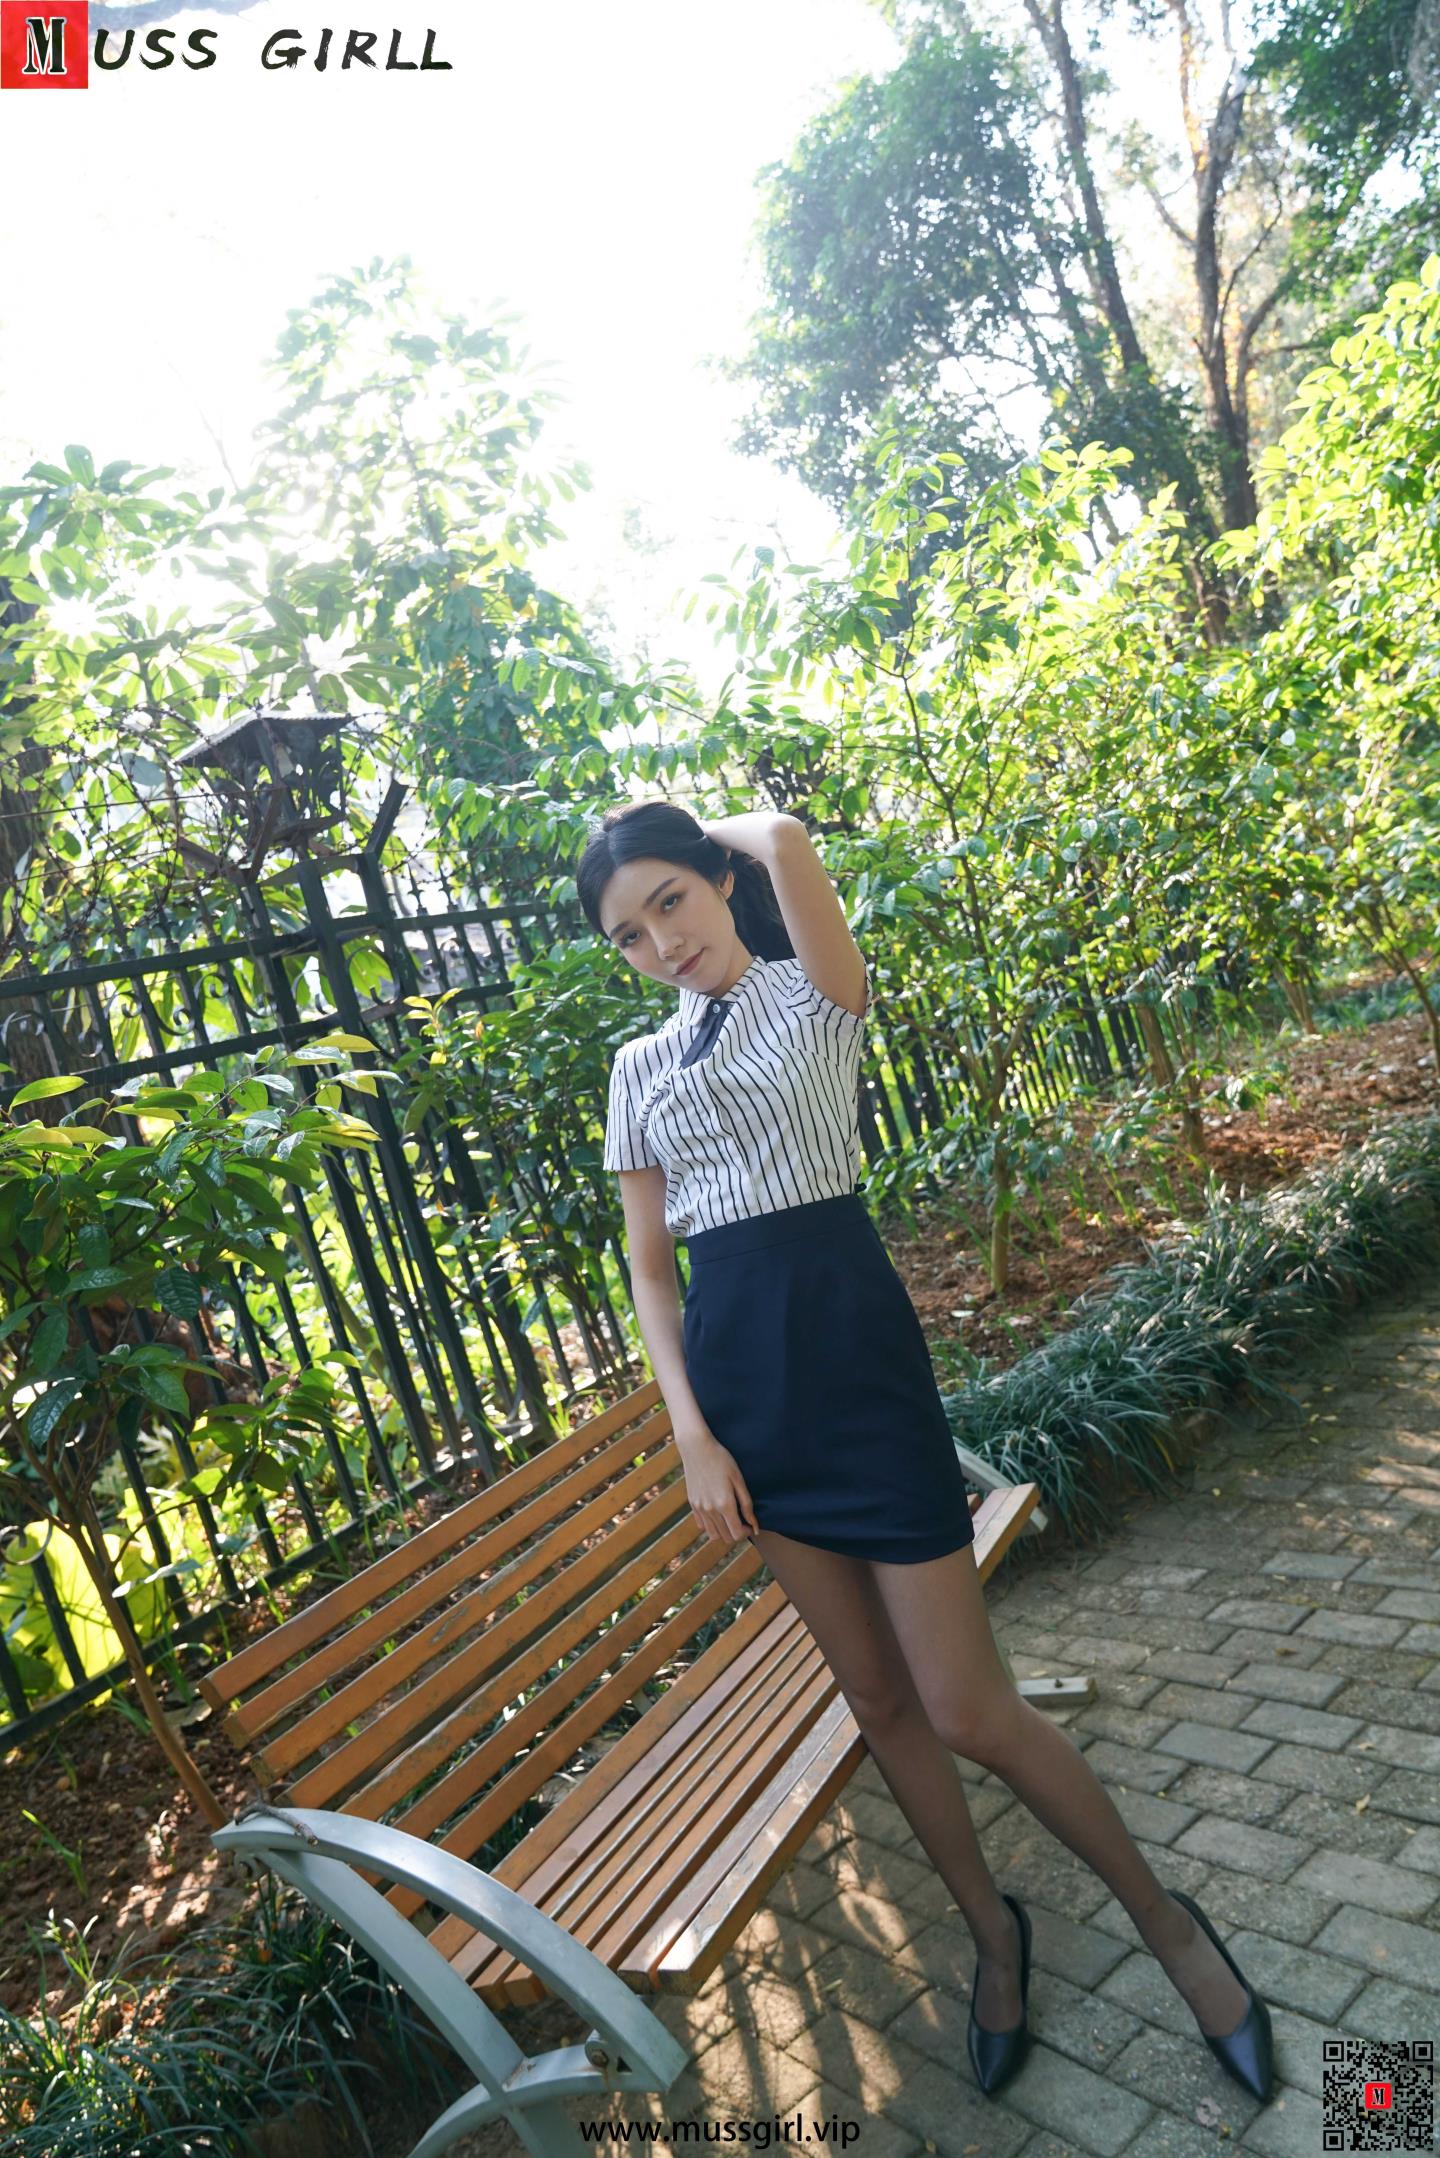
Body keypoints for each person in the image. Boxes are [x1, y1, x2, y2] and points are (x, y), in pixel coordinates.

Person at [578, 797, 1275, 2106]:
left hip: (858, 1374)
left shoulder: (812, 993)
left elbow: (789, 838)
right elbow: (650, 1268)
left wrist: (694, 823)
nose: (660, 940)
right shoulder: (636, 1070)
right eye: (628, 931)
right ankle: (993, 1935)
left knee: (967, 1707)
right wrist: (692, 1434)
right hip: (748, 1411)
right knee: (880, 1703)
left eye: (671, 898)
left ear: (715, 877)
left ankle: (1169, 1925)